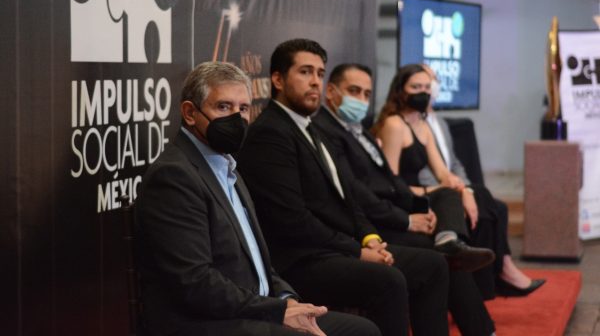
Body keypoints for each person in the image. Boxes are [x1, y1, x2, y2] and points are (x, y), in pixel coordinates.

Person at [135, 61, 381, 336]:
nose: (236, 118)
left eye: (243, 109)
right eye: (223, 107)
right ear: (190, 113)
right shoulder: (174, 176)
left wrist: (288, 300)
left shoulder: (227, 166)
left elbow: (259, 262)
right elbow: (195, 283)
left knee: (362, 331)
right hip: (207, 323)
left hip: (255, 310)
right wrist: (277, 310)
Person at [237, 39, 450, 336]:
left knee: (433, 263)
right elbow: (292, 220)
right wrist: (357, 251)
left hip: (335, 246)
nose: (315, 81)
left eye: (320, 73)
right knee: (389, 280)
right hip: (300, 259)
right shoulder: (270, 133)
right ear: (278, 80)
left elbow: (348, 195)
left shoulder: (310, 126)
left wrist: (370, 238)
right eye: (305, 72)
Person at [314, 62, 496, 336]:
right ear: (331, 91)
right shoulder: (327, 130)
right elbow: (356, 192)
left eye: (366, 94)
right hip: (370, 224)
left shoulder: (356, 127)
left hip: (391, 208)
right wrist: (408, 220)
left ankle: (450, 242)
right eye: (354, 91)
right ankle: (481, 328)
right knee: (440, 258)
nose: (361, 100)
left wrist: (420, 208)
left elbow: (391, 179)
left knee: (453, 215)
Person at [418, 63, 546, 298]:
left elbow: (454, 163)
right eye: (424, 83)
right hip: (437, 191)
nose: (431, 87)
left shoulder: (440, 121)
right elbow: (421, 170)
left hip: (454, 185)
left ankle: (496, 276)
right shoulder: (411, 124)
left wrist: (466, 187)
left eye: (433, 82)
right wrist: (461, 190)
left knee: (496, 207)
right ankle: (501, 274)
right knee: (486, 202)